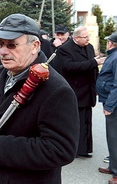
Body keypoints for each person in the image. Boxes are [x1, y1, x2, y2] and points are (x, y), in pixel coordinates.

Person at [0, 13, 80, 184]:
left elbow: (61, 149)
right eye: (0, 44)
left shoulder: (56, 89)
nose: (3, 51)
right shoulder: (2, 74)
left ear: (35, 46)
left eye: (12, 45)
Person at [54, 26, 105, 158]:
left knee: (86, 121)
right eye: (85, 37)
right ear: (76, 38)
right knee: (74, 122)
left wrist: (96, 84)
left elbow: (93, 67)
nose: (88, 39)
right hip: (74, 91)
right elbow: (69, 67)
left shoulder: (89, 47)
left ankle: (84, 148)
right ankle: (73, 149)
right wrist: (93, 62)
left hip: (87, 90)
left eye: (88, 37)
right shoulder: (65, 49)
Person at [96, 31, 117, 184]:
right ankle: (113, 166)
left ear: (111, 43)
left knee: (114, 137)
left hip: (113, 103)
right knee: (112, 137)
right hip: (110, 100)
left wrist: (110, 105)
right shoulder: (113, 55)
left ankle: (116, 172)